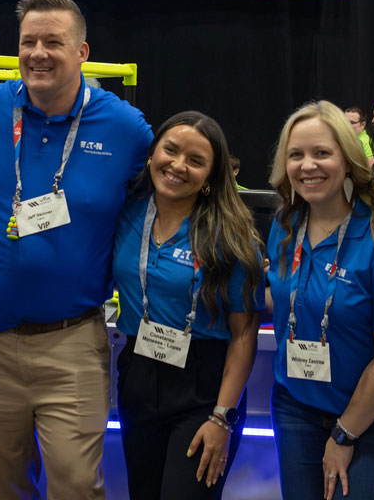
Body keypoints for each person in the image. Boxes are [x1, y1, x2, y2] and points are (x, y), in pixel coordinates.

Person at [0, 0, 152, 498]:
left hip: (71, 342)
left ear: (82, 52)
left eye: (53, 42)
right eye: (28, 42)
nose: (37, 53)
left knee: (76, 485)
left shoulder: (125, 128)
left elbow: (164, 198)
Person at [265, 101, 374, 500]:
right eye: (296, 155)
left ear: (348, 161)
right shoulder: (285, 225)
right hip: (296, 405)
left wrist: (344, 434)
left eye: (322, 153)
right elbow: (284, 299)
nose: (307, 165)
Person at [112, 111, 264, 498]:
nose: (178, 166)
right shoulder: (126, 212)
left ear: (211, 176)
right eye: (171, 150)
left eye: (196, 161)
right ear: (152, 154)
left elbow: (244, 335)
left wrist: (222, 417)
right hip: (139, 375)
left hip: (205, 388)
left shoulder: (231, 236)